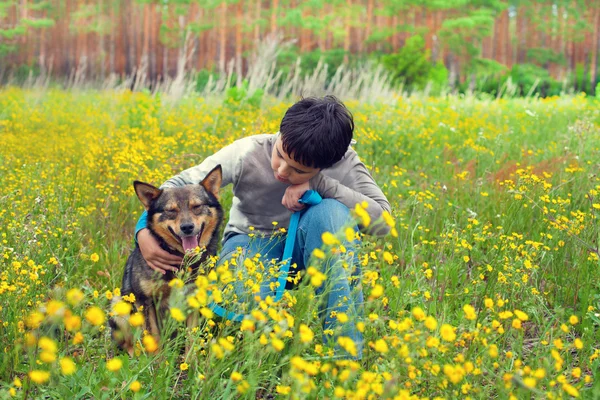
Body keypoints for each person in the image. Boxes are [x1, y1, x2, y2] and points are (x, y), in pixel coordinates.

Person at [135, 95, 391, 359]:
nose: (281, 170)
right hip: (250, 241)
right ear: (280, 133)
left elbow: (384, 223)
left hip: (311, 244)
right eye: (280, 154)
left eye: (298, 170)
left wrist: (320, 185)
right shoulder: (248, 151)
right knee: (242, 301)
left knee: (331, 212)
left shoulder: (344, 161)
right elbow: (178, 183)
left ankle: (343, 357)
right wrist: (142, 230)